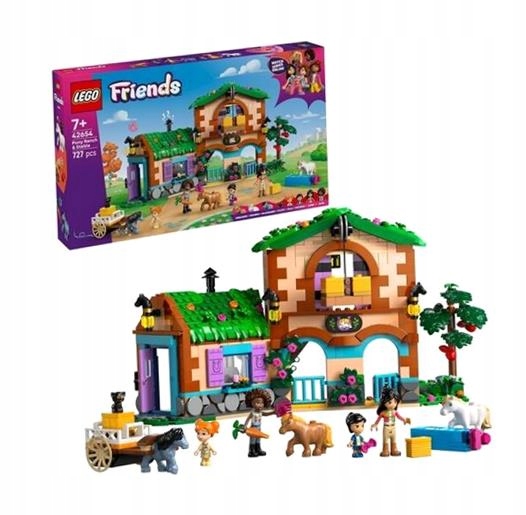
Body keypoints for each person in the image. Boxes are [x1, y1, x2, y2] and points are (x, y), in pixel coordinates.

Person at [371, 386, 410, 457]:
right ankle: (385, 450)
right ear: (384, 402)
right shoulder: (383, 413)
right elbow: (378, 419)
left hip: (393, 428)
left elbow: (399, 417)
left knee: (394, 439)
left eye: (395, 402)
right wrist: (375, 424)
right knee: (385, 440)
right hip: (386, 428)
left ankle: (394, 449)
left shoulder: (395, 412)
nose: (393, 404)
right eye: (390, 402)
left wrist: (404, 420)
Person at [244, 389, 273, 457]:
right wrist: (245, 426)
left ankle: (258, 449)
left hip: (259, 428)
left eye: (262, 403)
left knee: (258, 439)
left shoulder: (260, 412)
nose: (260, 405)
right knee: (253, 439)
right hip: (253, 428)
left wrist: (273, 412)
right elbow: (248, 419)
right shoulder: (253, 412)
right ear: (252, 403)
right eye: (257, 403)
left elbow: (266, 414)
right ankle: (251, 451)